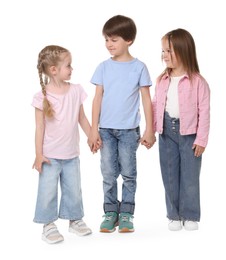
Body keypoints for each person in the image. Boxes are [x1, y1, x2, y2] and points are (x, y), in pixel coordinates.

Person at [88, 15, 156, 233]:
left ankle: (126, 213)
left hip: (129, 131)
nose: (109, 44)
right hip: (105, 130)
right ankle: (110, 212)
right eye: (106, 40)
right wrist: (92, 130)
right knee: (108, 173)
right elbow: (97, 98)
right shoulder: (103, 67)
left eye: (114, 40)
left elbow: (146, 99)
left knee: (128, 173)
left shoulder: (140, 67)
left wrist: (149, 129)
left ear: (129, 40)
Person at [32, 45, 92, 244]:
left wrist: (92, 135)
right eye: (68, 65)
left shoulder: (75, 91)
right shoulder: (42, 97)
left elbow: (81, 118)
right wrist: (38, 155)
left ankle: (75, 219)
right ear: (53, 70)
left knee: (74, 190)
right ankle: (48, 224)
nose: (72, 69)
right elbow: (39, 128)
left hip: (71, 154)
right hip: (50, 156)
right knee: (47, 191)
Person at [152, 28, 210, 231]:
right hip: (166, 132)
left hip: (190, 134)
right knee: (169, 175)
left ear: (183, 50)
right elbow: (155, 105)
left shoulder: (198, 82)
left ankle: (190, 214)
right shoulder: (161, 80)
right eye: (163, 51)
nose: (164, 56)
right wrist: (151, 131)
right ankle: (174, 215)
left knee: (190, 177)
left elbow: (204, 112)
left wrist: (201, 139)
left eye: (169, 51)